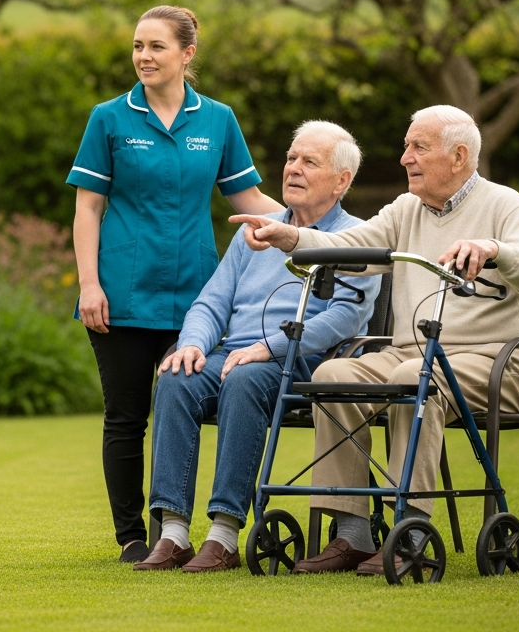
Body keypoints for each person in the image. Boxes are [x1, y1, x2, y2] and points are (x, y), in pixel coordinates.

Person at [228, 105, 519, 576]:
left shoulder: (503, 204)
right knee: (333, 373)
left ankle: (413, 524)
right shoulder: (407, 209)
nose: (404, 157)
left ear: (459, 156)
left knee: (413, 377)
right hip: (412, 354)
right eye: (407, 146)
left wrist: (495, 250)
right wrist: (291, 236)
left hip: (492, 364)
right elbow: (352, 248)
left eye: (418, 147)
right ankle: (352, 533)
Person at [66, 6, 282, 563]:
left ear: (187, 54)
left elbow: (249, 203)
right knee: (126, 416)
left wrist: (318, 224)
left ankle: (181, 531)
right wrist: (89, 285)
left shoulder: (218, 120)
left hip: (197, 303)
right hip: (121, 295)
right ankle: (133, 538)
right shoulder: (109, 119)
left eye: (156, 47)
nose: (143, 57)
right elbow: (87, 209)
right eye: (138, 46)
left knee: (183, 405)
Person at [134, 121, 381, 573]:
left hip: (305, 361)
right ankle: (173, 533)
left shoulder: (357, 235)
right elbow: (212, 300)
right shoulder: (257, 232)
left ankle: (225, 534)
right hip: (236, 354)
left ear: (342, 181)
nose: (294, 169)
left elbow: (347, 317)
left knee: (245, 378)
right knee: (175, 372)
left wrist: (268, 348)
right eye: (291, 158)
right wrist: (191, 344)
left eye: (310, 162)